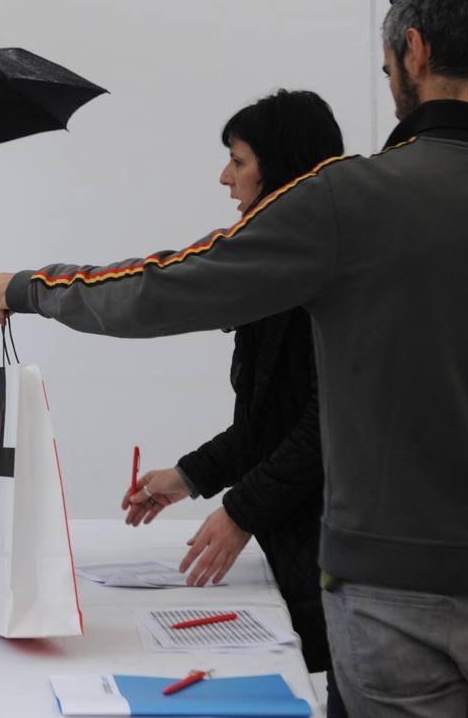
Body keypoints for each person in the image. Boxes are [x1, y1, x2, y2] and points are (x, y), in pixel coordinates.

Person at [0, 0, 468, 716]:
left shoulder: (349, 200)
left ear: (415, 54)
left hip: (394, 596)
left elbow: (162, 288)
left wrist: (33, 286)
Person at [123, 90, 346, 715]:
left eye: (238, 160)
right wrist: (188, 476)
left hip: (334, 552)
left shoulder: (323, 278)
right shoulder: (274, 270)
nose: (225, 177)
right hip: (300, 542)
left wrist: (241, 509)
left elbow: (324, 426)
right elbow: (263, 423)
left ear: (280, 168)